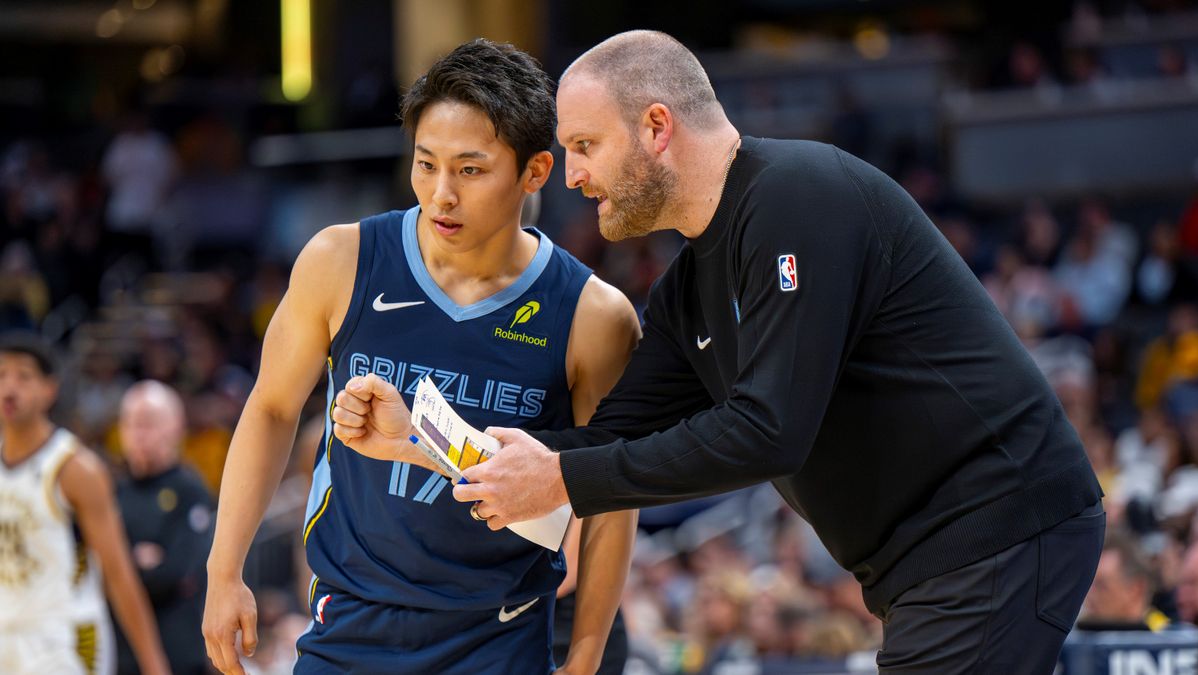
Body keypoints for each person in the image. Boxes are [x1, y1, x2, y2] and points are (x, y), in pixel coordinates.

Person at [336, 30, 1106, 672]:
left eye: (584, 146)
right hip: (929, 570)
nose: (572, 176)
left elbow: (770, 429)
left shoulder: (798, 195)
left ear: (657, 127)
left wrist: (563, 478)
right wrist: (421, 442)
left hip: (1006, 530)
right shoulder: (690, 286)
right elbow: (607, 439)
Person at [203, 39, 640, 675]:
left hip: (500, 639)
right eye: (426, 164)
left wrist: (586, 655)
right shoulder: (340, 261)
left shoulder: (594, 318)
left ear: (536, 171)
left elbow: (610, 497)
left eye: (470, 169)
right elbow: (270, 408)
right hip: (348, 627)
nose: (441, 196)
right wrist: (224, 571)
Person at [0, 332, 170, 675]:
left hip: (63, 638)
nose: (10, 388)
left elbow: (118, 573)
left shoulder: (76, 468)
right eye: (1, 375)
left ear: (50, 389)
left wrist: (154, 664)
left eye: (24, 376)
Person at [114, 380, 214, 674]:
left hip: (179, 654)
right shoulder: (113, 492)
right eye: (132, 424)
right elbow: (102, 573)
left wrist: (124, 567)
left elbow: (176, 572)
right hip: (121, 654)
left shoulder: (190, 490)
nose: (139, 434)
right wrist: (136, 563)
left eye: (149, 424)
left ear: (176, 428)